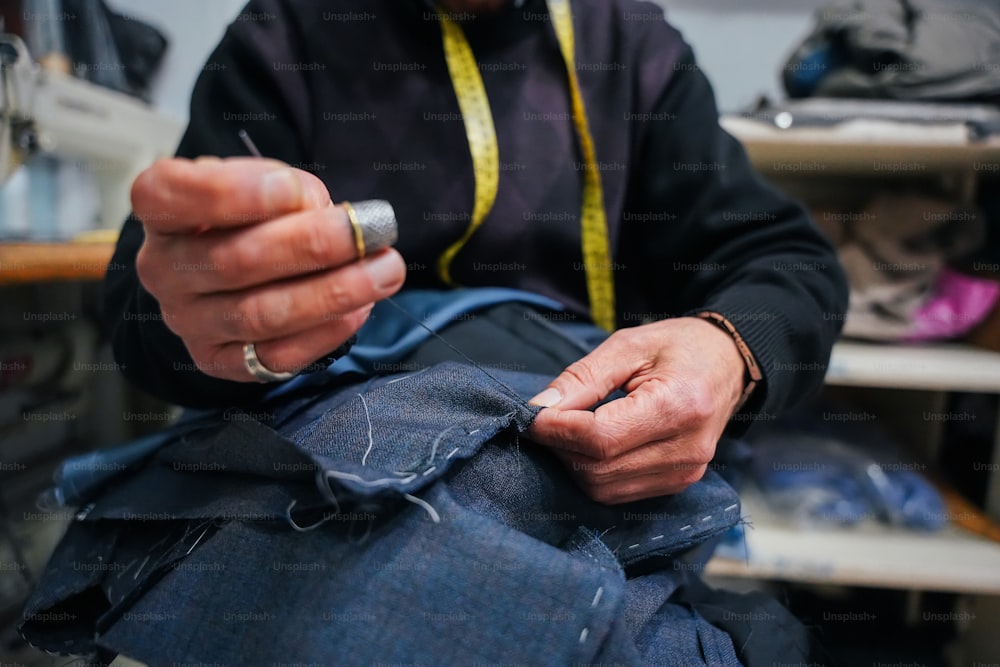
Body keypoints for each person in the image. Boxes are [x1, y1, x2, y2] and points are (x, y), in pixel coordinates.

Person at [43, 0, 849, 663]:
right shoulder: (283, 37)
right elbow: (148, 310)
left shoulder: (629, 47)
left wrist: (731, 347)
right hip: (329, 435)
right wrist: (212, 318)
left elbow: (787, 260)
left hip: (573, 446)